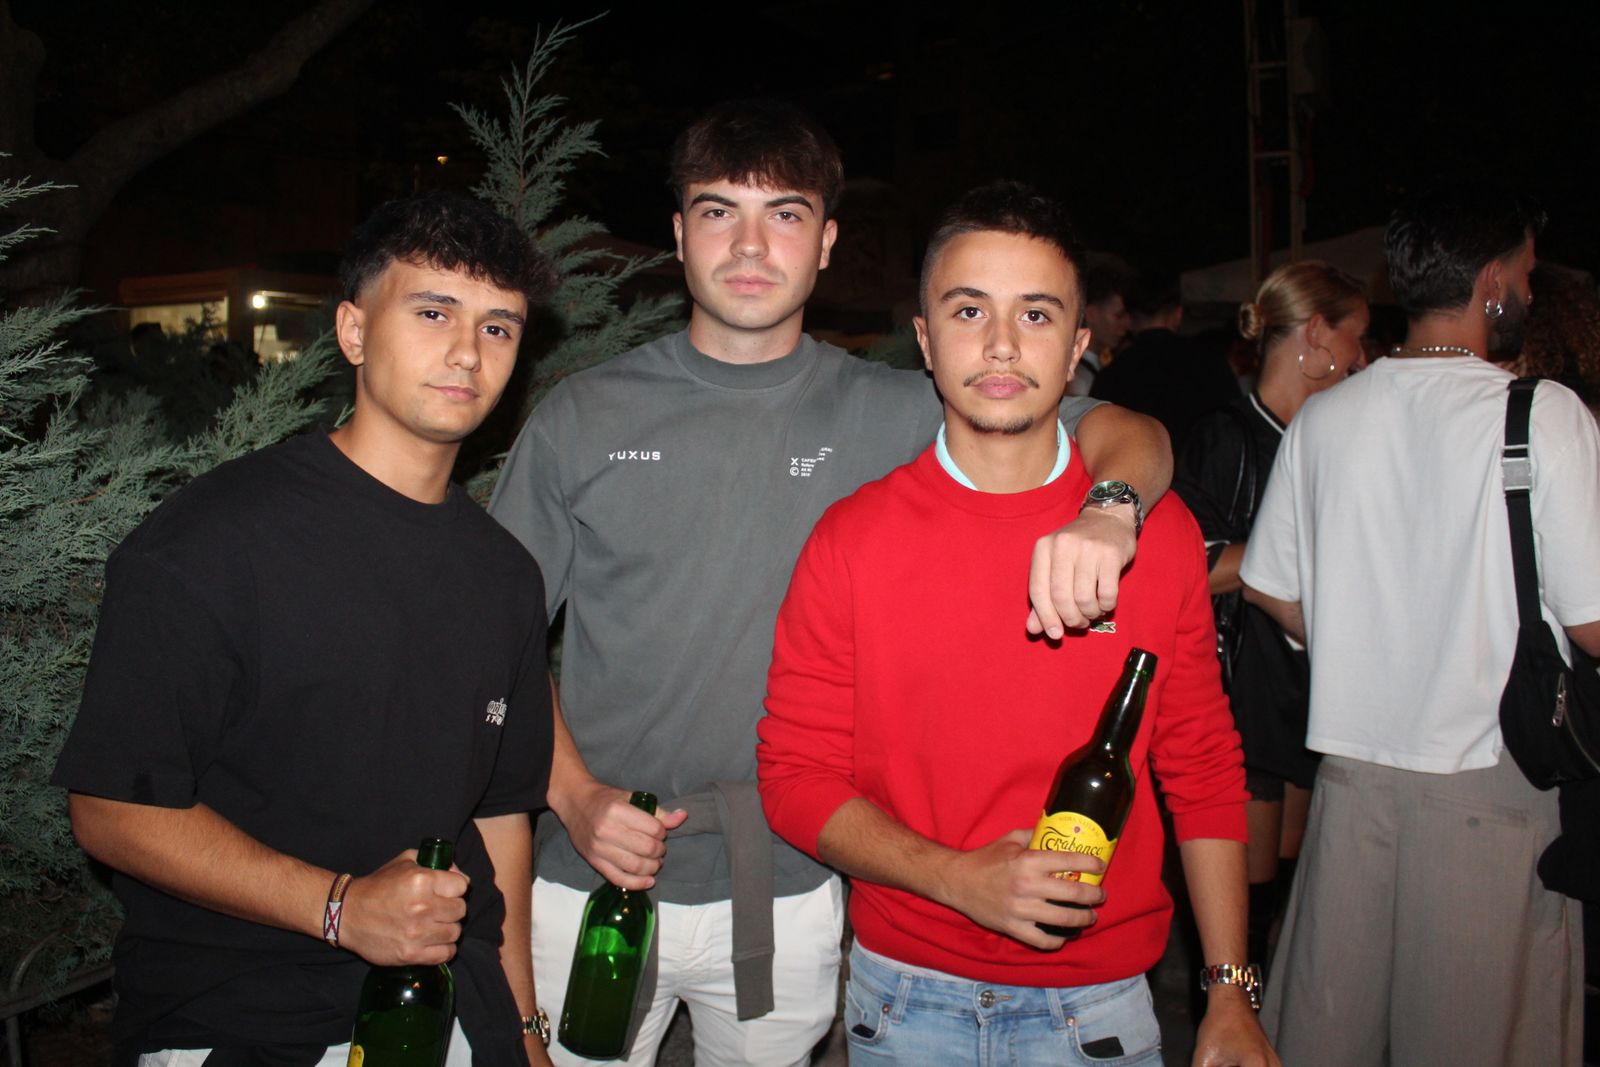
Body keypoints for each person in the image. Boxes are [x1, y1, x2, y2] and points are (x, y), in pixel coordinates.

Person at [486, 100, 1173, 1067]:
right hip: (594, 878)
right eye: (720, 212)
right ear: (679, 236)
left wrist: (1109, 505)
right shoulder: (582, 416)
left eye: (788, 214)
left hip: (796, 882)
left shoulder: (897, 409)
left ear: (827, 244)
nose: (752, 244)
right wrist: (571, 794)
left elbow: (1122, 430)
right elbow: (494, 635)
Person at [757, 180, 1277, 1067]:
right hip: (903, 995)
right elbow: (793, 775)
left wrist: (1229, 989)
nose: (1001, 343)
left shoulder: (1159, 533)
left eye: (1035, 314)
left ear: (1081, 343)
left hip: (1104, 1003)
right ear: (925, 338)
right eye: (969, 310)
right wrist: (955, 877)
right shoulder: (853, 538)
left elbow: (1201, 763)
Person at [53, 192, 560, 1066]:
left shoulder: (505, 575)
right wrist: (341, 905)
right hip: (241, 1017)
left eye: (499, 327)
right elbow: (110, 808)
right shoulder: (211, 541)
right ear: (354, 332)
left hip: (453, 1014)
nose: (467, 352)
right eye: (433, 310)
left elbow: (503, 817)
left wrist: (525, 1032)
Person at [1241, 183, 1600, 1066]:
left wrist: (1373, 639)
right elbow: (1593, 623)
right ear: (1492, 281)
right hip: (1491, 781)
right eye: (1520, 269)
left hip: (1353, 787)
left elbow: (1269, 587)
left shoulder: (1327, 415)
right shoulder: (1539, 411)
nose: (1524, 286)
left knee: (1328, 1037)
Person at [1171, 260, 1368, 967]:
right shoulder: (1227, 436)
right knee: (1238, 920)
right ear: (1316, 335)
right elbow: (1184, 559)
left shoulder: (1333, 437)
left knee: (1285, 901)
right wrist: (1280, 569)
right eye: (1356, 337)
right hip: (1240, 694)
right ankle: (1229, 1028)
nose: (1362, 358)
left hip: (1306, 694)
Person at [1092, 277, 1243, 452]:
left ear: (1130, 320)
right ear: (1178, 315)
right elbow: (1235, 424)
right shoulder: (1211, 364)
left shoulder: (1110, 376)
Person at [1067, 253, 1134, 397]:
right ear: (1091, 314)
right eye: (1119, 316)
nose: (1127, 325)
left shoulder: (1104, 366)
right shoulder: (1077, 381)